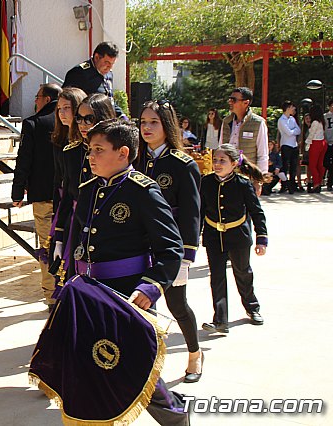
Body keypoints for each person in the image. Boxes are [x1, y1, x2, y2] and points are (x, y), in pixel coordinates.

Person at [71, 119, 190, 425]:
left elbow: (170, 248)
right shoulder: (89, 189)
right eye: (90, 149)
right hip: (90, 292)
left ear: (123, 153)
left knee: (137, 367)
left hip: (127, 294)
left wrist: (150, 288)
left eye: (99, 149)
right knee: (91, 365)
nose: (91, 156)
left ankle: (176, 417)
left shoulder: (143, 191)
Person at [136, 100, 203, 383]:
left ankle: (194, 354)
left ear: (167, 125)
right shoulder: (135, 160)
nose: (147, 128)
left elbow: (191, 212)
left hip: (170, 248)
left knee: (177, 305)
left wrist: (186, 254)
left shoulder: (182, 165)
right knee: (141, 305)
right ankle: (146, 363)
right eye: (142, 122)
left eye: (154, 122)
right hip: (138, 245)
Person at [201, 144, 268, 334]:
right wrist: (193, 237)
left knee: (243, 273)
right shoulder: (206, 182)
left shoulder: (243, 184)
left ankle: (252, 307)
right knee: (217, 278)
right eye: (215, 160)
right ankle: (220, 320)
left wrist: (261, 237)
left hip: (238, 236)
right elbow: (200, 211)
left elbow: (256, 212)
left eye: (222, 160)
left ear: (234, 163)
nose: (217, 164)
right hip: (214, 236)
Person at [52, 93, 115, 285]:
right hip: (78, 226)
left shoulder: (119, 149)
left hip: (111, 225)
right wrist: (60, 237)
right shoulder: (71, 152)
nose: (83, 124)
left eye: (89, 118)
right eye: (79, 118)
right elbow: (67, 197)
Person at [11, 83, 62, 308]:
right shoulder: (70, 123)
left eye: (38, 96)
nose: (35, 101)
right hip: (69, 196)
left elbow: (24, 160)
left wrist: (17, 191)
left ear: (47, 98)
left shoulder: (33, 123)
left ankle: (52, 297)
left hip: (43, 196)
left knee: (47, 247)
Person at [219, 87, 269, 195]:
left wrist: (259, 181)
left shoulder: (258, 123)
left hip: (247, 176)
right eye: (230, 99)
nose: (230, 102)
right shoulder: (226, 121)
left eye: (234, 100)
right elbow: (220, 148)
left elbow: (263, 154)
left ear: (246, 103)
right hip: (227, 175)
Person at [62, 41, 127, 118]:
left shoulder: (108, 73)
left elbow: (109, 99)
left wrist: (121, 115)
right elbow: (67, 100)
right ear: (96, 57)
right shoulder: (79, 73)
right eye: (107, 62)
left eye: (112, 64)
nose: (109, 67)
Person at [276, 100, 301, 193]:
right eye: (291, 107)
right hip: (286, 145)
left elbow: (298, 130)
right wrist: (293, 131)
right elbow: (288, 132)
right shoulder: (281, 120)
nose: (293, 109)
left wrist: (293, 131)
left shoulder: (292, 119)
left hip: (294, 145)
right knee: (285, 166)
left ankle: (292, 184)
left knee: (293, 166)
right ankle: (284, 185)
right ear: (287, 108)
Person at [305, 104, 327, 193]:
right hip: (322, 142)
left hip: (315, 143)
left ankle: (316, 183)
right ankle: (319, 181)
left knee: (312, 165)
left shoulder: (315, 122)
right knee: (320, 164)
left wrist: (307, 144)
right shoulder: (322, 121)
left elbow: (311, 134)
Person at [299, 112, 312, 191]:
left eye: (309, 118)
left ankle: (311, 180)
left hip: (312, 148)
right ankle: (308, 179)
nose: (308, 120)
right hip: (306, 149)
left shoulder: (313, 127)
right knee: (308, 166)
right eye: (306, 119)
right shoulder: (303, 128)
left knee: (312, 165)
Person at [323, 99, 333, 190]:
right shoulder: (325, 116)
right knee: (327, 163)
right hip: (328, 143)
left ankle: (330, 182)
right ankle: (327, 181)